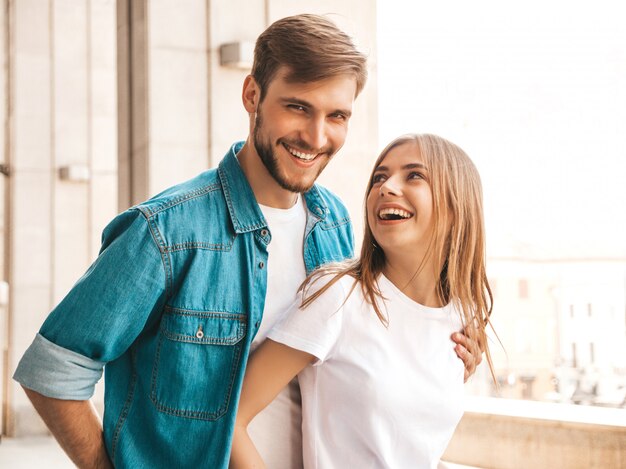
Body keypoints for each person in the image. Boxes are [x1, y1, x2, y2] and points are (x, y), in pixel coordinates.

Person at [13, 14, 480, 469]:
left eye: (336, 115)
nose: (316, 137)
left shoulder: (333, 220)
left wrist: (444, 348)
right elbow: (52, 370)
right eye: (298, 107)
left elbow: (361, 344)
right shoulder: (168, 230)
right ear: (252, 95)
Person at [230, 133, 496, 469]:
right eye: (379, 178)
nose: (386, 187)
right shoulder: (338, 296)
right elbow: (233, 418)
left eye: (414, 175)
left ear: (458, 207)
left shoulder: (462, 317)